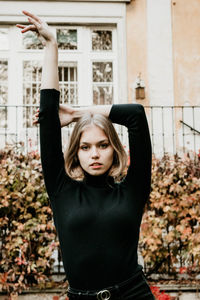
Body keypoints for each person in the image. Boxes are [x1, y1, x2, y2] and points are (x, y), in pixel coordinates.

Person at [17, 11, 154, 300]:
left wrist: (79, 113)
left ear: (114, 150)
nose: (94, 154)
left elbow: (136, 116)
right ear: (75, 153)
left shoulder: (132, 190)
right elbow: (48, 111)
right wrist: (51, 45)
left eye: (103, 145)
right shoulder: (61, 189)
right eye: (85, 146)